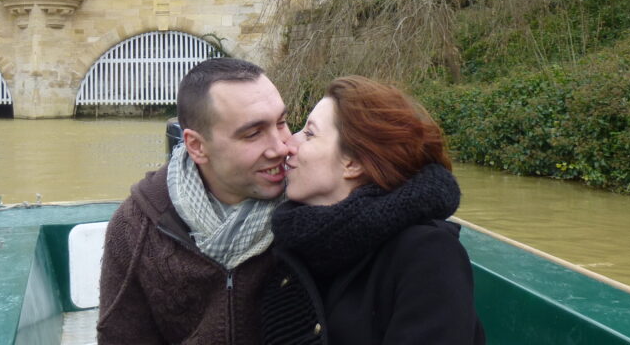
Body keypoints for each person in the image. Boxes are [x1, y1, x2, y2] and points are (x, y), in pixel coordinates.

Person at [261, 76, 484, 344]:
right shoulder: (295, 244)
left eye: (309, 133)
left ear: (353, 163)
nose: (288, 145)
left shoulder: (427, 254)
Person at [98, 57, 291, 344]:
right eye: (253, 134)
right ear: (197, 146)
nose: (281, 147)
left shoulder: (313, 206)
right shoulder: (135, 228)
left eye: (282, 122)